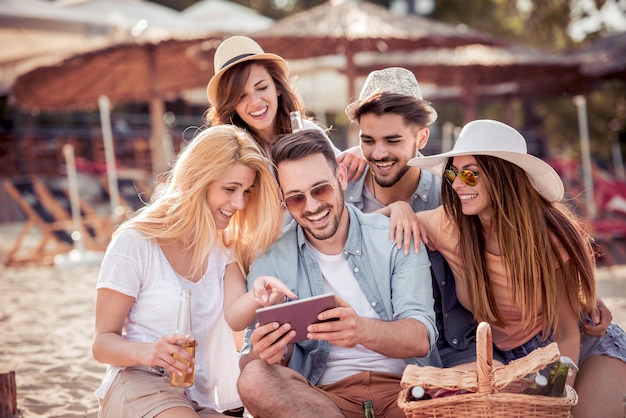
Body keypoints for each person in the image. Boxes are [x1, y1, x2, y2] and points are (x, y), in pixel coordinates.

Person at [408, 119, 626, 417]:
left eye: (471, 175)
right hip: (508, 361)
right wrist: (398, 208)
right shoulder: (449, 225)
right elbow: (368, 225)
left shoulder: (550, 237)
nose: (458, 184)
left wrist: (552, 398)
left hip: (574, 348)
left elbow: (566, 333)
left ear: (502, 178)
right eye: (453, 173)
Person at [92, 125, 293, 418]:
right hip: (140, 382)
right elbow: (101, 344)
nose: (239, 203)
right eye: (230, 189)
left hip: (196, 395)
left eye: (246, 192)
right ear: (198, 180)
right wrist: (149, 352)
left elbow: (235, 315)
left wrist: (260, 292)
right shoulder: (135, 242)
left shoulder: (222, 248)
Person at [236, 129, 437, 418]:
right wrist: (265, 352)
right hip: (323, 401)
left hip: (404, 392)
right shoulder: (271, 256)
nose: (312, 206)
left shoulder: (393, 236)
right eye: (296, 198)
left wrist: (361, 330)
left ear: (341, 178)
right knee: (254, 376)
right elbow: (249, 361)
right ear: (283, 199)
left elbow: (421, 337)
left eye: (321, 190)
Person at [343, 66, 493, 368]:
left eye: (393, 140)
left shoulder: (452, 186)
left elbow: (515, 219)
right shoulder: (342, 194)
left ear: (422, 137)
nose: (379, 153)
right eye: (368, 141)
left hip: (454, 349)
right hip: (372, 355)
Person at [205, 35, 366, 179]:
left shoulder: (307, 132)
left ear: (278, 88)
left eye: (261, 88)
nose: (255, 101)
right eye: (241, 96)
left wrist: (361, 153)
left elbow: (341, 179)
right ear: (231, 105)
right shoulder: (231, 155)